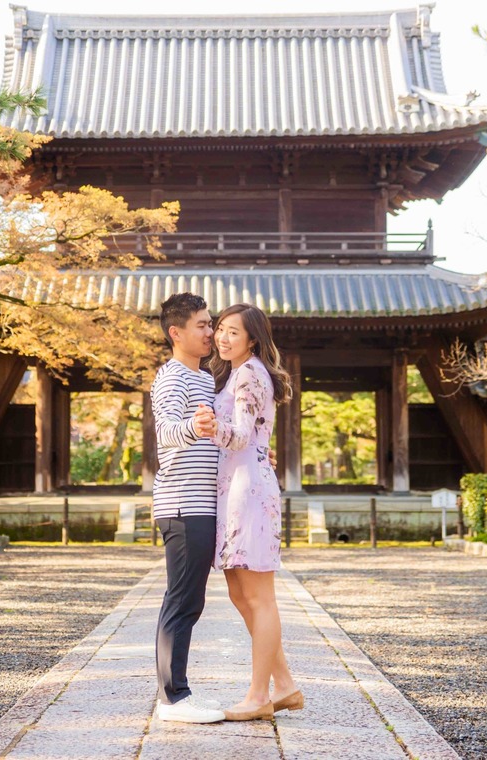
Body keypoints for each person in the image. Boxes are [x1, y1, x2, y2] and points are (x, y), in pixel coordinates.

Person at [201, 303, 302, 722]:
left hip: (249, 492)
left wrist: (210, 427)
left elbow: (241, 436)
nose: (222, 338)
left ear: (253, 339)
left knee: (259, 597)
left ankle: (259, 696)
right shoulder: (236, 373)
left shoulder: (249, 373)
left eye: (233, 332)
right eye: (220, 329)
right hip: (236, 488)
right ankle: (285, 685)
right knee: (241, 595)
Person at [149, 292, 226, 724]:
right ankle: (172, 699)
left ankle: (176, 692)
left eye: (210, 323)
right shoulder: (172, 377)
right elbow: (165, 432)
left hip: (202, 504)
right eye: (202, 325)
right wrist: (194, 426)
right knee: (182, 600)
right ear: (176, 332)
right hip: (182, 504)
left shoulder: (205, 378)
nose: (210, 332)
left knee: (190, 600)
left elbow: (215, 438)